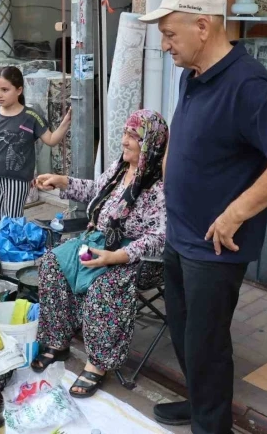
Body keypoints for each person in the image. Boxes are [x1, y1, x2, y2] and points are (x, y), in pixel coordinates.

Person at [138, 0, 267, 433]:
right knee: (181, 331)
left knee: (207, 343)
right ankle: (199, 403)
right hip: (180, 231)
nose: (164, 46)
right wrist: (168, 163)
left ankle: (211, 425)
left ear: (202, 26)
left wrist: (237, 212)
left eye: (170, 34)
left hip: (214, 245)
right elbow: (184, 127)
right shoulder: (192, 73)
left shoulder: (247, 84)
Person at [31, 109, 167, 399]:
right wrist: (62, 181)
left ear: (151, 144)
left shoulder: (160, 185)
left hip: (138, 257)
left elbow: (161, 238)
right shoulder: (120, 169)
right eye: (125, 134)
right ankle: (57, 341)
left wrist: (116, 257)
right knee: (54, 263)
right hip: (99, 240)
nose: (125, 141)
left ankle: (98, 363)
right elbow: (97, 190)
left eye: (134, 136)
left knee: (105, 286)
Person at [0, 66, 71, 233]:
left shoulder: (31, 116)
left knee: (13, 221)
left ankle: (12, 255)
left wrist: (66, 122)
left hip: (18, 180)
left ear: (19, 90)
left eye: (5, 90)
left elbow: (51, 140)